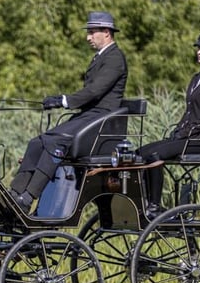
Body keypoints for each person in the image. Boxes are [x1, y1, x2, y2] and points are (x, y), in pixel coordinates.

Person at [10, 11, 128, 213]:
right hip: (89, 116)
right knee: (38, 142)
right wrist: (59, 100)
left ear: (106, 32)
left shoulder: (115, 58)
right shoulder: (100, 57)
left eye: (92, 32)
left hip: (102, 122)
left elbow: (94, 90)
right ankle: (15, 192)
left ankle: (28, 197)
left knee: (58, 141)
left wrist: (64, 101)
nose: (88, 37)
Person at [138, 31, 200, 219]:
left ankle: (154, 206)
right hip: (189, 135)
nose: (199, 52)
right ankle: (144, 202)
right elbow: (189, 111)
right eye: (198, 48)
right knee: (142, 152)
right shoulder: (197, 78)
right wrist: (178, 131)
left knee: (156, 155)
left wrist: (185, 131)